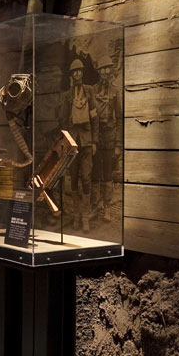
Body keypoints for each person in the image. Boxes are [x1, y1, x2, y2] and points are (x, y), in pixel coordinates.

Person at [64, 58, 97, 231]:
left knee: (86, 178)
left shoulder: (89, 91)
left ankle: (85, 216)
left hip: (86, 141)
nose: (77, 74)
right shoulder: (68, 94)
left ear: (83, 74)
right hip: (72, 143)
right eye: (75, 72)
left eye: (80, 71)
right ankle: (76, 214)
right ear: (71, 75)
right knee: (74, 180)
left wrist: (94, 141)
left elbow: (95, 117)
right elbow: (63, 119)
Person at [93, 58, 120, 219]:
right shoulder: (93, 90)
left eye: (107, 69)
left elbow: (120, 119)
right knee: (96, 172)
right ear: (98, 71)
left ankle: (107, 207)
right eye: (102, 69)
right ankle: (96, 206)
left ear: (110, 71)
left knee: (108, 173)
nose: (104, 72)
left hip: (110, 136)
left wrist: (118, 144)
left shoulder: (116, 91)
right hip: (96, 137)